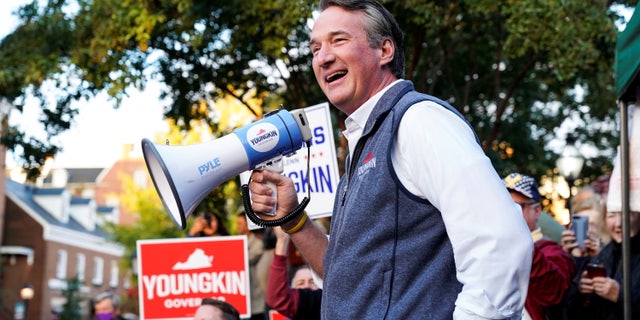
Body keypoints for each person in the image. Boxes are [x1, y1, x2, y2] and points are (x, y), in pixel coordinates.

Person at [247, 0, 533, 318]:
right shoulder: (365, 142)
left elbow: (501, 245)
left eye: (338, 40)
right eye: (315, 49)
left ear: (385, 51)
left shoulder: (419, 121)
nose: (323, 58)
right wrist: (292, 220)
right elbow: (347, 281)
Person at [504, 173, 577, 320]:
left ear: (536, 210)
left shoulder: (553, 252)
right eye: (504, 206)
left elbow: (553, 295)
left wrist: (522, 244)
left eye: (517, 207)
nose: (509, 213)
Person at [266, 226, 321, 320]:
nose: (307, 286)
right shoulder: (299, 305)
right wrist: (282, 240)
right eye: (300, 283)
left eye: (313, 282)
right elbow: (278, 297)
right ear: (292, 289)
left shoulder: (323, 301)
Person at [236, 213, 266, 320]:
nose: (237, 226)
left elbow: (246, 259)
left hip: (255, 291)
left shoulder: (259, 242)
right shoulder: (235, 243)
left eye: (240, 223)